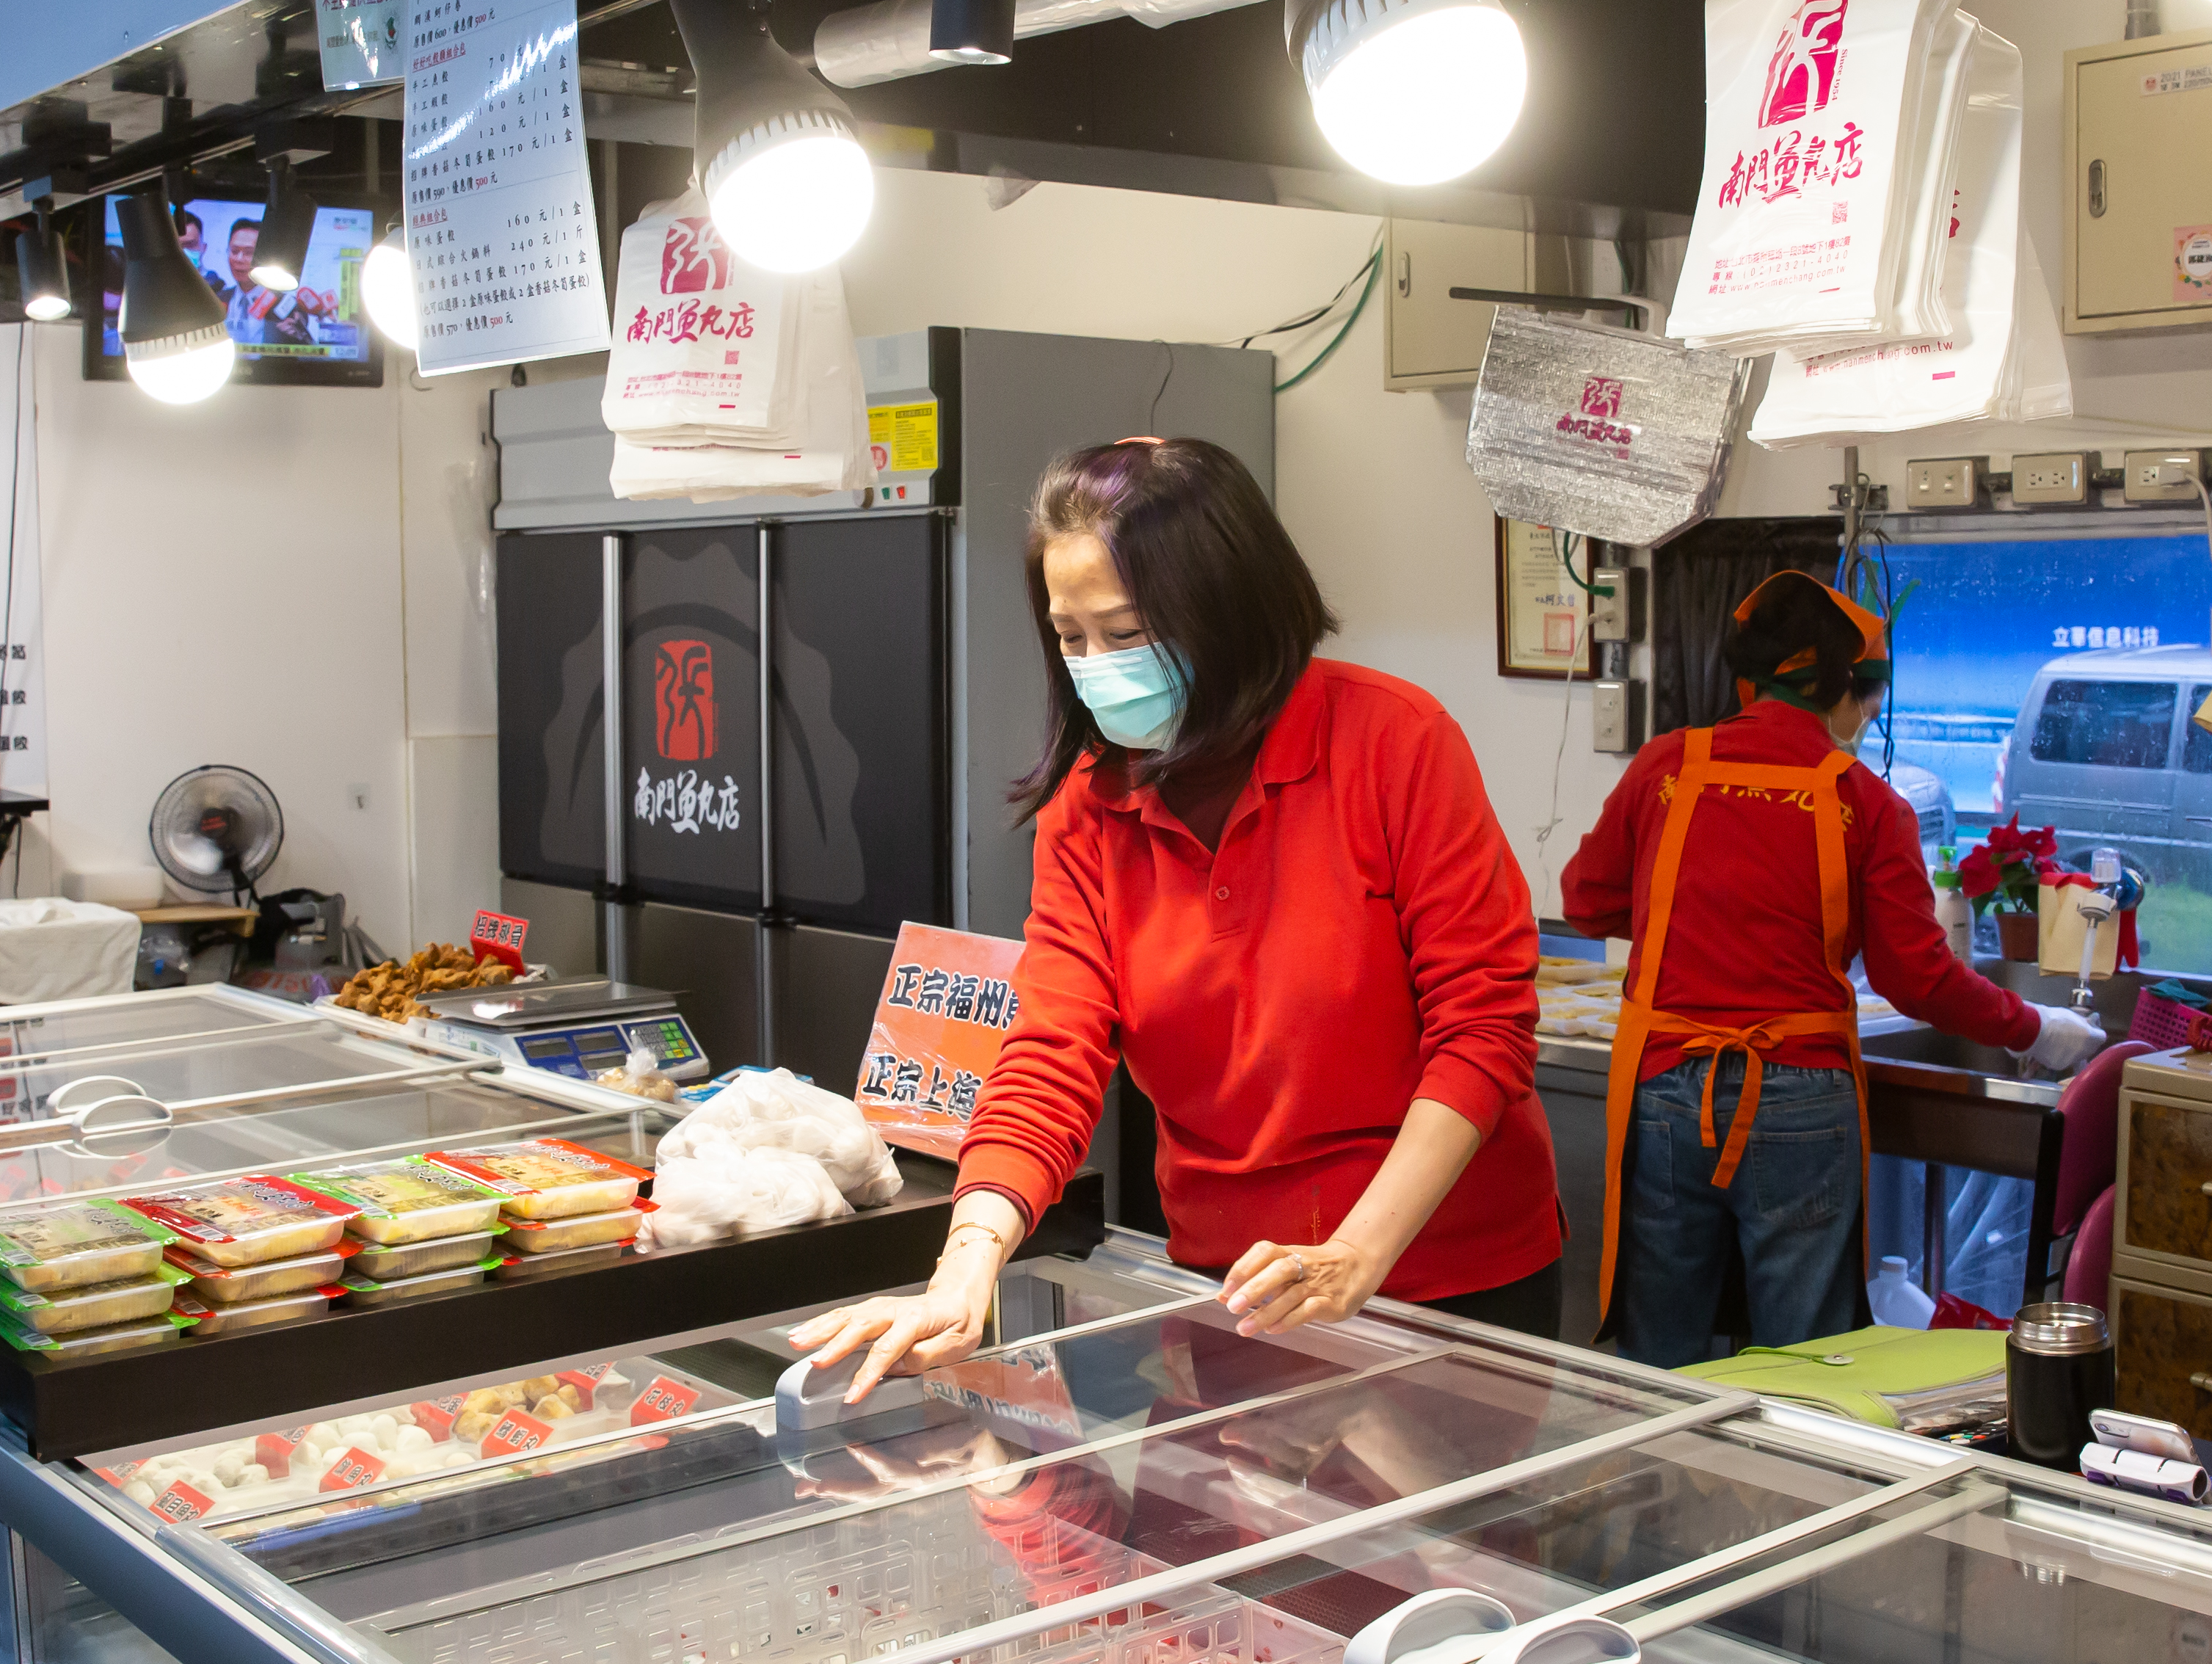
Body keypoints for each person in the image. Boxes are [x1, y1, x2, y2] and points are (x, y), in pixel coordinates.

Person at [794, 437, 1557, 1392]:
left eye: (1125, 632)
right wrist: (963, 1273)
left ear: (1228, 610)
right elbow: (1051, 1050)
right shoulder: (1089, 803)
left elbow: (1483, 1028)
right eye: (1070, 637)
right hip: (1230, 1285)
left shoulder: (1396, 744)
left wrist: (1359, 1253)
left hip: (1449, 1279)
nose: (1095, 665)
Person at [1559, 572, 2104, 1370]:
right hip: (1800, 1099)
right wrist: (2037, 1027)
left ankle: (1656, 1486)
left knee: (1661, 1350)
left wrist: (1689, 915)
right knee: (1804, 1362)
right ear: (1842, 687)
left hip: (1667, 1087)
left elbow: (1584, 900)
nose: (1870, 715)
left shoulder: (1668, 768)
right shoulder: (1866, 804)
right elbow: (1917, 977)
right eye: (1868, 696)